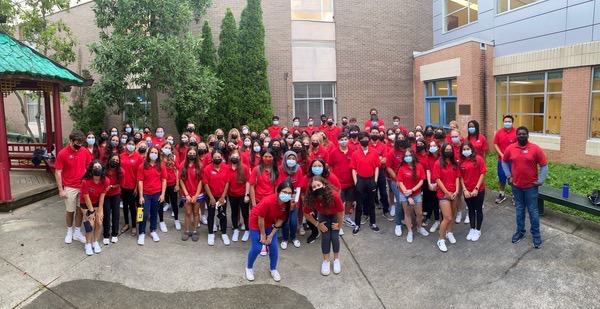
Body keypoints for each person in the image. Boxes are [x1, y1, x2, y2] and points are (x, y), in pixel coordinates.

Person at [502, 126, 548, 249]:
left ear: (528, 135)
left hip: (531, 187)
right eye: (519, 134)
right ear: (516, 136)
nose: (521, 135)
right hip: (516, 186)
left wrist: (540, 181)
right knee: (519, 210)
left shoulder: (535, 149)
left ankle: (536, 234)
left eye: (524, 134)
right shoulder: (511, 148)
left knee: (533, 211)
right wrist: (508, 176)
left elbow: (544, 165)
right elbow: (504, 161)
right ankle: (520, 231)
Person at [245, 182, 293, 282]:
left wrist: (270, 236)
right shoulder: (268, 201)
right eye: (284, 192)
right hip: (256, 221)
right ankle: (249, 268)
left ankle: (273, 269)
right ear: (278, 192)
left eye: (289, 193)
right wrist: (263, 235)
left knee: (273, 247)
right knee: (257, 247)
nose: (287, 195)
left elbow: (280, 220)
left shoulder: (287, 204)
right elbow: (260, 219)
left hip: (269, 223)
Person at [303, 176, 344, 275]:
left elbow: (340, 211)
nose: (317, 188)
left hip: (334, 215)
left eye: (319, 185)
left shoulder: (334, 195)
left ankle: (336, 260)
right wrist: (317, 224)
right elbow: (306, 213)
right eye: (314, 187)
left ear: (324, 185)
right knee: (325, 237)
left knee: (334, 237)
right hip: (322, 215)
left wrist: (339, 225)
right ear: (311, 189)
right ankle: (326, 260)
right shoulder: (311, 198)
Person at [54, 131, 90, 244]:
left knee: (80, 210)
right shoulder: (63, 153)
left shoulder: (84, 151)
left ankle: (77, 232)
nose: (79, 146)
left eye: (81, 143)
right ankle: (69, 231)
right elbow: (58, 171)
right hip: (69, 186)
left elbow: (88, 167)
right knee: (70, 211)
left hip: (82, 185)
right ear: (71, 141)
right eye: (77, 143)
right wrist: (60, 190)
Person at [396, 148, 429, 242]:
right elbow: (400, 182)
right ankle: (410, 231)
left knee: (419, 213)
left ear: (413, 156)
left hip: (416, 193)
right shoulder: (402, 168)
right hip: (404, 194)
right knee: (407, 213)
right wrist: (407, 195)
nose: (408, 157)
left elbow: (422, 180)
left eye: (409, 155)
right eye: (406, 156)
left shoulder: (419, 166)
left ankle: (419, 227)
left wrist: (412, 190)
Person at [433, 143, 461, 252]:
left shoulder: (454, 163)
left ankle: (449, 232)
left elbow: (458, 177)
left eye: (450, 149)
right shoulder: (438, 163)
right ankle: (441, 239)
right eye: (446, 149)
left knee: (452, 215)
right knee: (447, 217)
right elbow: (437, 179)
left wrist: (457, 191)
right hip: (443, 194)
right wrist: (446, 192)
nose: (448, 151)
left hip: (454, 192)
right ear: (443, 150)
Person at [350, 132, 380, 234]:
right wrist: (356, 182)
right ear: (359, 140)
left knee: (371, 203)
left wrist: (375, 180)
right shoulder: (355, 153)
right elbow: (353, 169)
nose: (364, 140)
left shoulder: (374, 152)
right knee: (359, 204)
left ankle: (373, 223)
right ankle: (357, 224)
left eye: (366, 138)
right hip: (360, 180)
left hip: (371, 180)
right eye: (362, 138)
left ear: (369, 139)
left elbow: (377, 167)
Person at [136, 146, 167, 245]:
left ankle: (153, 230)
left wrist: (162, 194)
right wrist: (140, 196)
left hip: (156, 193)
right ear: (148, 153)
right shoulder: (142, 166)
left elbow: (163, 180)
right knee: (143, 214)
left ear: (158, 155)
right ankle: (141, 232)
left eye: (155, 152)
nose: (153, 154)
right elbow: (140, 181)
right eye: (152, 152)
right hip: (145, 194)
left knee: (154, 213)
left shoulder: (161, 165)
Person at [80, 160, 110, 255]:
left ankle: (95, 241)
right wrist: (92, 212)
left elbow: (102, 196)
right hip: (86, 203)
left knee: (99, 222)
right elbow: (86, 197)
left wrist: (100, 211)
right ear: (91, 170)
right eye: (95, 167)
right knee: (90, 224)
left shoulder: (106, 181)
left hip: (97, 202)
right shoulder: (85, 181)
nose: (97, 169)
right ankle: (88, 243)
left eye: (99, 167)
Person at [459, 141, 487, 241]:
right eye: (464, 149)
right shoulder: (461, 162)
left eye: (468, 149)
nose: (466, 151)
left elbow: (482, 174)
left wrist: (476, 188)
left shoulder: (478, 159)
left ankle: (478, 229)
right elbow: (461, 177)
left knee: (478, 209)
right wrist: (465, 190)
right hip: (467, 190)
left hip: (478, 190)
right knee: (470, 210)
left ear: (472, 149)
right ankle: (472, 228)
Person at [203, 149, 231, 246]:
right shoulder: (207, 168)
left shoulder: (226, 168)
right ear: (212, 158)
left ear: (222, 158)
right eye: (215, 157)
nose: (217, 159)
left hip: (222, 196)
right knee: (211, 215)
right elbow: (205, 184)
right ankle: (211, 233)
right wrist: (211, 197)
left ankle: (224, 233)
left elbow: (227, 182)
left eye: (219, 157)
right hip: (211, 196)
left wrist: (223, 197)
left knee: (222, 214)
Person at [328, 133, 356, 228]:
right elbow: (330, 166)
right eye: (341, 139)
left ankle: (347, 217)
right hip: (338, 183)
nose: (344, 141)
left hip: (351, 182)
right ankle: (338, 221)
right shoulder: (333, 153)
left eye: (345, 139)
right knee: (339, 202)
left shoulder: (353, 151)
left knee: (349, 200)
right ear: (338, 141)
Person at [276, 151, 304, 249]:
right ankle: (285, 238)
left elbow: (299, 186)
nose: (291, 160)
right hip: (283, 198)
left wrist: (295, 200)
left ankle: (293, 237)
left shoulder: (298, 169)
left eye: (293, 159)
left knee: (293, 221)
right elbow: (279, 186)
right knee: (285, 221)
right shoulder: (280, 168)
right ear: (285, 159)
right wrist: (283, 200)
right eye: (289, 158)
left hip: (294, 199)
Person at [119, 137, 143, 236]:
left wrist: (137, 188)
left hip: (134, 187)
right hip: (123, 186)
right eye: (129, 143)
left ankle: (135, 225)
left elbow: (139, 174)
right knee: (125, 206)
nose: (131, 146)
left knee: (136, 207)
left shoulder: (139, 157)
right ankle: (127, 223)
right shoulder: (121, 156)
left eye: (133, 144)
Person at [179, 147, 203, 242]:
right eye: (190, 153)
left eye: (194, 153)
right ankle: (187, 230)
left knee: (196, 212)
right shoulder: (182, 165)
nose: (192, 155)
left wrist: (196, 195)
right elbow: (181, 180)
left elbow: (201, 181)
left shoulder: (200, 166)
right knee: (188, 212)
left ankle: (195, 231)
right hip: (186, 194)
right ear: (187, 154)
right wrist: (187, 194)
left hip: (197, 194)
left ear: (196, 155)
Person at [228, 150, 251, 242]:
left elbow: (248, 181)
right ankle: (235, 229)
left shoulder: (244, 167)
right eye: (232, 155)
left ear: (240, 158)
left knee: (245, 213)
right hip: (232, 194)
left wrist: (247, 194)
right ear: (230, 157)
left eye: (236, 156)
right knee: (234, 212)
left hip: (242, 194)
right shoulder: (227, 168)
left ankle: (247, 230)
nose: (234, 157)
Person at [369, 127, 392, 220]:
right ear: (370, 133)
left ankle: (386, 210)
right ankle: (368, 213)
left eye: (376, 133)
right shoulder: (367, 145)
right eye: (373, 132)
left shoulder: (383, 146)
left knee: (383, 192)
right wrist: (378, 158)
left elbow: (384, 160)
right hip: (370, 172)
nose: (375, 134)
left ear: (379, 134)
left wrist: (374, 160)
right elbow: (367, 160)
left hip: (381, 171)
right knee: (369, 192)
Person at [386, 136, 407, 235]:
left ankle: (403, 218)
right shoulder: (392, 152)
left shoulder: (409, 151)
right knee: (399, 201)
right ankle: (398, 223)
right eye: (399, 137)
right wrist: (398, 178)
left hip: (408, 181)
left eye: (403, 137)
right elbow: (389, 167)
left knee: (406, 201)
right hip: (396, 181)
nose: (401, 139)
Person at [493, 115, 517, 204]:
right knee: (501, 177)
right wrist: (502, 155)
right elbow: (495, 144)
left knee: (513, 178)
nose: (507, 123)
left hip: (513, 161)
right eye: (506, 121)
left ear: (512, 122)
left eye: (509, 121)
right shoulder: (499, 132)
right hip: (502, 160)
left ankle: (515, 196)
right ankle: (502, 195)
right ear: (503, 122)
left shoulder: (516, 132)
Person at [103, 153, 123, 245]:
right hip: (105, 195)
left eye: (117, 160)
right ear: (109, 159)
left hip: (115, 194)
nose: (114, 162)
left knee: (116, 214)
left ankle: (115, 234)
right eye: (113, 159)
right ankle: (106, 235)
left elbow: (120, 184)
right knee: (106, 214)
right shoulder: (104, 170)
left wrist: (112, 186)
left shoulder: (121, 171)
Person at [160, 141, 180, 231]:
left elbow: (177, 171)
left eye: (169, 148)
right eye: (166, 147)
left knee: (174, 203)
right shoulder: (158, 158)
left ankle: (176, 220)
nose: (167, 149)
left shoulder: (173, 158)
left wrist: (177, 184)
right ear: (162, 148)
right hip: (160, 184)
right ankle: (161, 221)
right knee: (160, 203)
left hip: (172, 183)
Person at [424, 140, 441, 233]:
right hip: (431, 183)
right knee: (433, 202)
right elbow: (428, 170)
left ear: (438, 147)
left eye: (434, 145)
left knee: (442, 203)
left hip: (441, 183)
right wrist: (430, 183)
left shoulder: (441, 158)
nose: (432, 147)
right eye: (431, 146)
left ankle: (443, 223)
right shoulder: (428, 157)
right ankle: (437, 221)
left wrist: (437, 184)